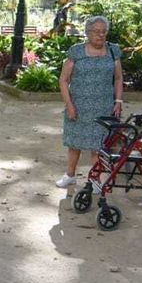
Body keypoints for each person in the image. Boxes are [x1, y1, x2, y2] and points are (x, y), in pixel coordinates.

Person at [57, 15, 125, 189]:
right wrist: (69, 105)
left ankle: (96, 179)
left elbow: (118, 78)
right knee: (74, 144)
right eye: (96, 31)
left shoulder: (112, 51)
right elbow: (63, 80)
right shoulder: (76, 52)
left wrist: (118, 100)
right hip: (78, 106)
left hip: (103, 107)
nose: (100, 35)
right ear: (87, 33)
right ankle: (70, 175)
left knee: (98, 146)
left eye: (104, 31)